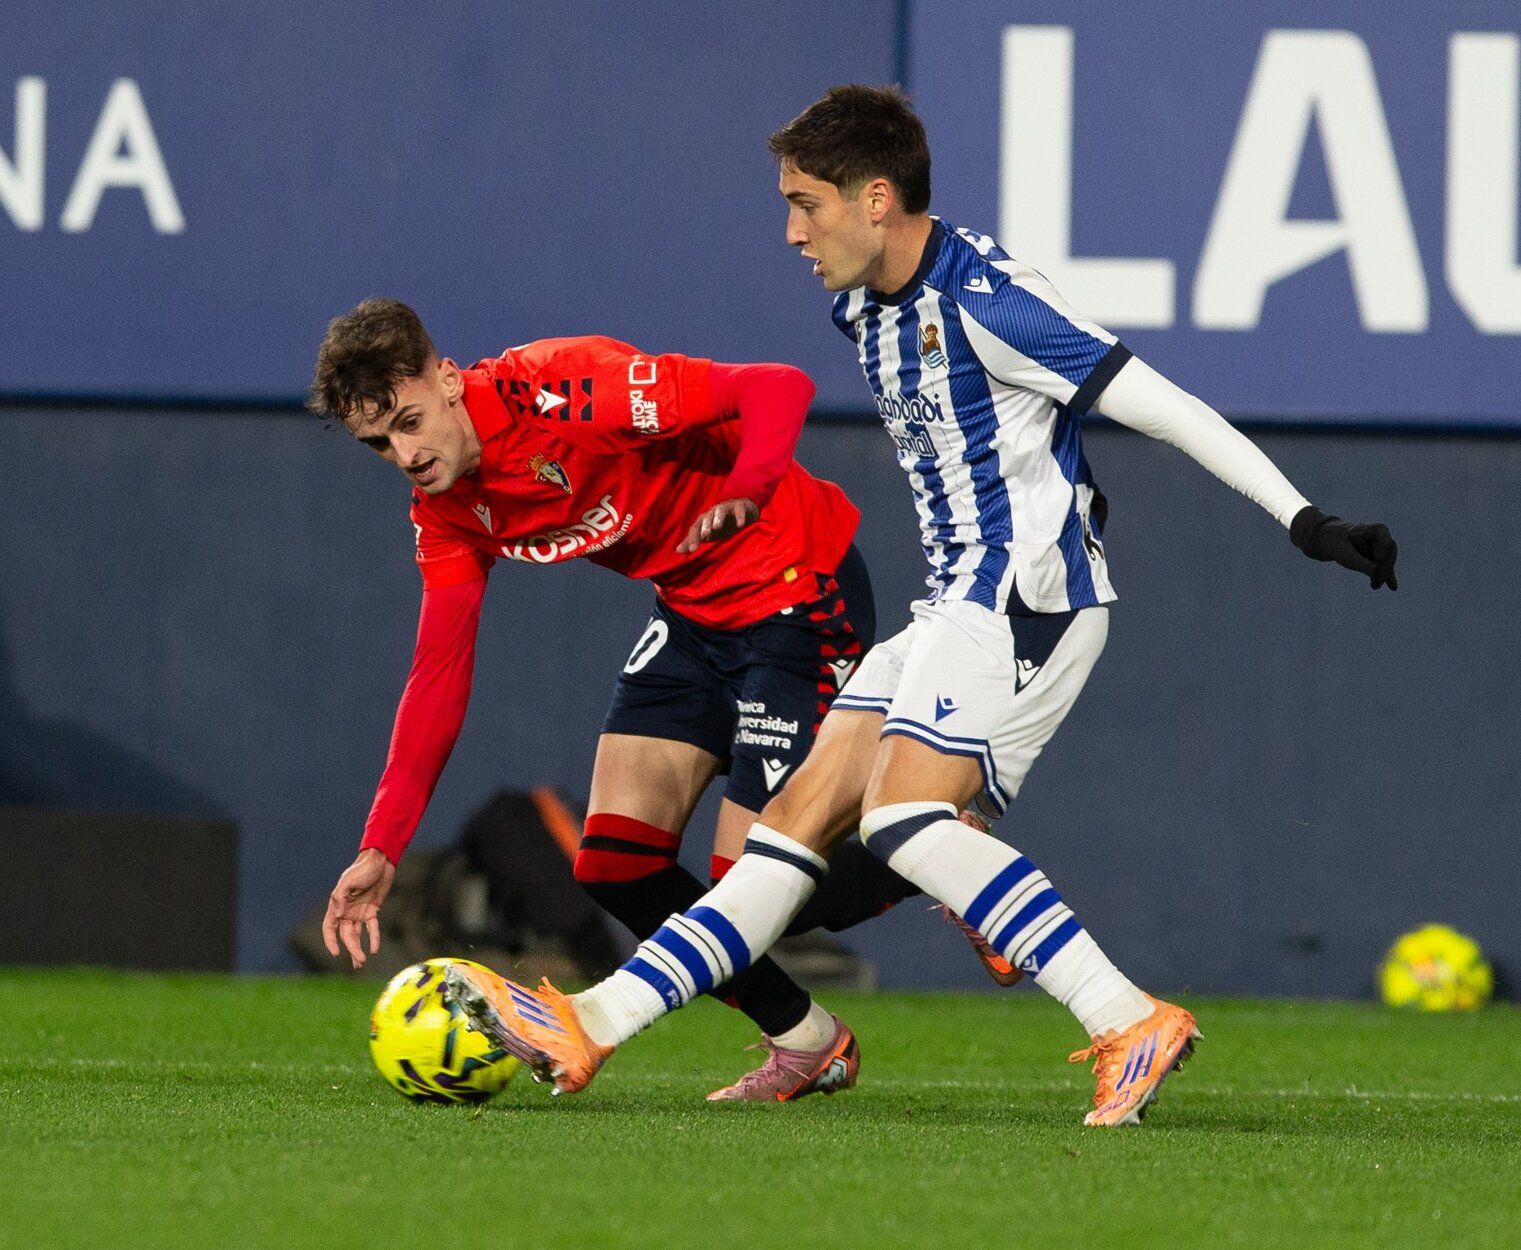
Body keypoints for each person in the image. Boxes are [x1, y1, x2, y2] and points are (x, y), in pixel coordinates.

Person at [443, 86, 1398, 1127]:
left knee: (901, 817)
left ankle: (1126, 1014)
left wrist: (1305, 517)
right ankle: (589, 1021)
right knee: (788, 836)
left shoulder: (989, 298)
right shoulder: (861, 301)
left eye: (807, 203)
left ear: (878, 198)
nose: (792, 230)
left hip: (1030, 602)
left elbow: (1163, 404)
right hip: (952, 603)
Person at [310, 298, 947, 1102]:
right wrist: (382, 845)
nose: (404, 453)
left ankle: (931, 846)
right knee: (615, 865)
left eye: (408, 421)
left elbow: (775, 388)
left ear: (446, 378)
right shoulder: (445, 511)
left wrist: (748, 489)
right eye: (379, 443)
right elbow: (436, 675)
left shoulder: (562, 390)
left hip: (796, 586)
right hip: (692, 616)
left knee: (750, 884)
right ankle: (806, 1038)